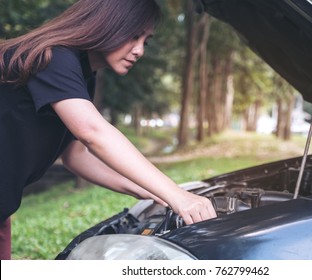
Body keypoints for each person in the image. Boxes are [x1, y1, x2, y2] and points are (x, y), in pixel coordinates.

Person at [0, 0, 217, 260]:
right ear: (107, 24)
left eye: (145, 41)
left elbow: (75, 156)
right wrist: (176, 194)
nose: (139, 51)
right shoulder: (54, 57)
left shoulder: (81, 74)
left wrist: (148, 189)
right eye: (133, 36)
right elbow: (92, 132)